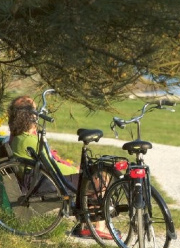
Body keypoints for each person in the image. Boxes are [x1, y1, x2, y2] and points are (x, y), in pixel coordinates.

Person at [7, 96, 112, 239]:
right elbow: (51, 167)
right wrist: (75, 170)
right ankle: (97, 227)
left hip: (38, 180)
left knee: (90, 179)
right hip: (43, 183)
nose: (37, 115)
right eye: (35, 111)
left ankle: (87, 225)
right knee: (98, 180)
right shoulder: (27, 140)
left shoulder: (20, 137)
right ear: (28, 116)